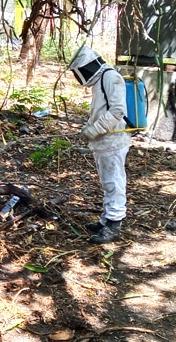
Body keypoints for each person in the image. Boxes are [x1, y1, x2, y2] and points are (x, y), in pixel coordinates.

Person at [69, 46, 131, 244]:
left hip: (113, 141)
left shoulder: (110, 77)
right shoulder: (100, 80)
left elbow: (117, 111)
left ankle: (114, 225)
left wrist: (94, 130)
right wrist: (89, 127)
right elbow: (100, 110)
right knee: (107, 182)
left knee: (114, 182)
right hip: (103, 141)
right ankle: (106, 219)